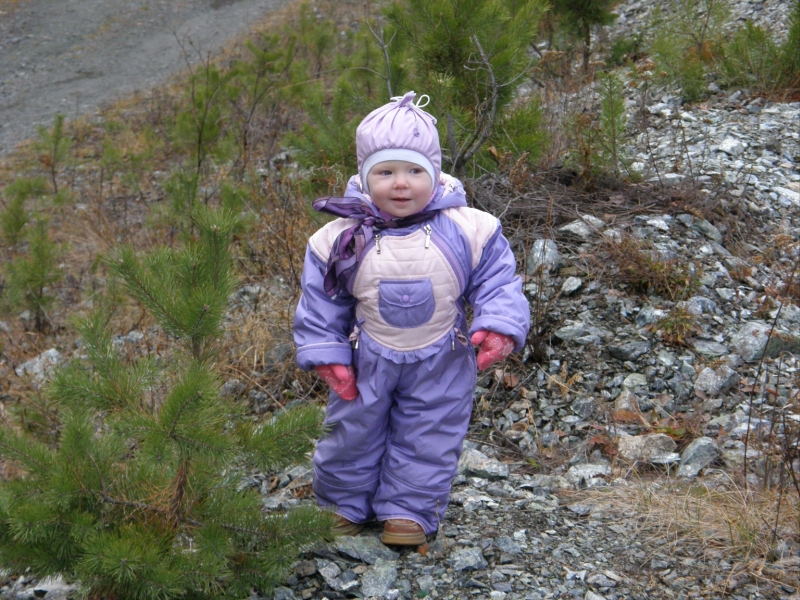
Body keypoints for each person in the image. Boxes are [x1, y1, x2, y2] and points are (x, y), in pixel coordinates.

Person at [293, 91, 530, 546]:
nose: (401, 184)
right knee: (351, 428)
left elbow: (498, 281)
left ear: (435, 173)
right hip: (366, 356)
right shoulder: (339, 237)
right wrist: (326, 353)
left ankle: (409, 510)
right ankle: (342, 503)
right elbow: (321, 301)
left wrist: (500, 324)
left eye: (414, 171)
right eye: (385, 172)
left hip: (443, 357)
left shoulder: (470, 227)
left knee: (430, 432)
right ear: (365, 176)